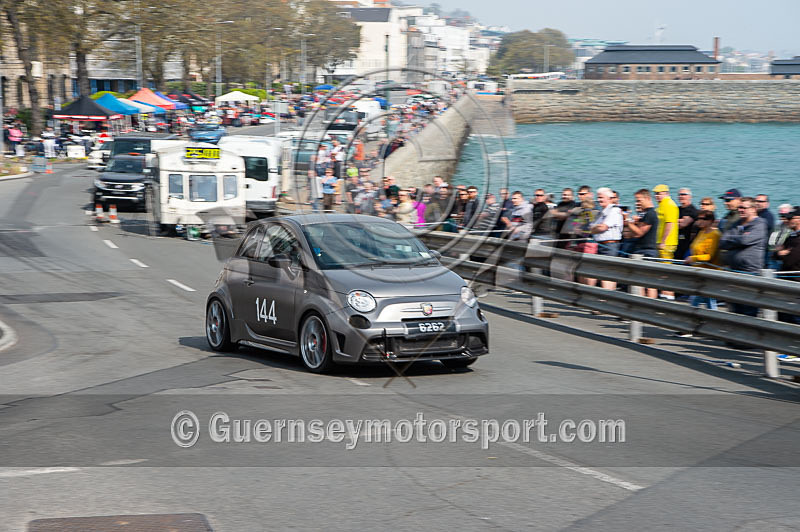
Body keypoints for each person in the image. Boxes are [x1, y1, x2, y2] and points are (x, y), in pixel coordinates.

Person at [719, 197, 768, 317]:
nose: (740, 210)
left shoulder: (759, 224)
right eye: (739, 207)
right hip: (734, 271)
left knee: (748, 308)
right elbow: (722, 241)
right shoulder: (737, 223)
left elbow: (745, 240)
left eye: (743, 208)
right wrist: (738, 239)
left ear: (753, 209)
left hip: (750, 272)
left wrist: (735, 239)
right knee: (735, 307)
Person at [685, 211, 722, 310]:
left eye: (703, 219)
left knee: (707, 300)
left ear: (710, 221)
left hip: (709, 273)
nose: (699, 221)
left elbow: (709, 256)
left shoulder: (715, 234)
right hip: (698, 272)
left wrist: (693, 258)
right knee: (701, 299)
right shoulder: (701, 232)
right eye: (698, 218)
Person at [590, 187, 623, 290]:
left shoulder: (614, 210)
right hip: (600, 245)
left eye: (601, 197)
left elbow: (602, 227)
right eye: (598, 197)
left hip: (609, 245)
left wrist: (591, 229)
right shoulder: (602, 212)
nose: (599, 200)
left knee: (607, 274)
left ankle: (607, 297)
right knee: (602, 273)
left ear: (609, 198)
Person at [774, 208, 800, 324]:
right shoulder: (791, 236)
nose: (787, 220)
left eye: (790, 218)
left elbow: (790, 259)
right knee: (783, 316)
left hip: (796, 283)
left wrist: (783, 253)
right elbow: (774, 254)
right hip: (786, 283)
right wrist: (781, 253)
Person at [676, 188, 699, 260]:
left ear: (690, 197)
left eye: (684, 194)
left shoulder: (693, 210)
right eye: (680, 195)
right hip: (676, 240)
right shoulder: (676, 209)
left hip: (687, 242)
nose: (681, 196)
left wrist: (671, 221)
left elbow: (682, 225)